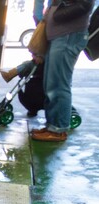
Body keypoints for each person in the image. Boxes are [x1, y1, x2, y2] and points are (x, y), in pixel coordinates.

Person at [31, 0, 92, 142]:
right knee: (51, 83)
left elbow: (85, 3)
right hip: (61, 35)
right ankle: (52, 126)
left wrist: (58, 15)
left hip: (68, 35)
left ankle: (58, 129)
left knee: (58, 84)